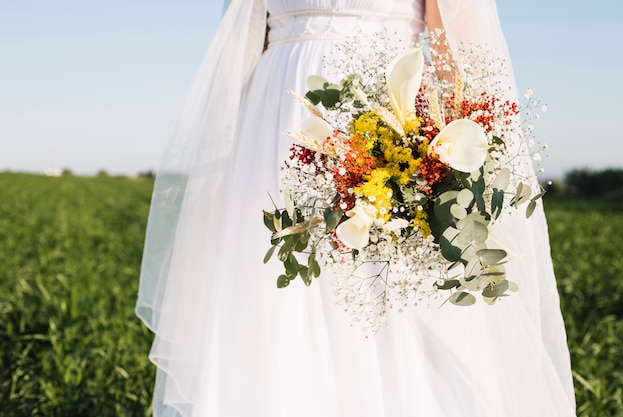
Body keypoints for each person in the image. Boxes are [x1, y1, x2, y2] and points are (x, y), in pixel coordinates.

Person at [136, 0, 577, 416]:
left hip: (383, 111)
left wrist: (453, 153)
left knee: (384, 308)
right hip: (271, 123)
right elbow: (250, 36)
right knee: (270, 300)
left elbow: (454, 42)